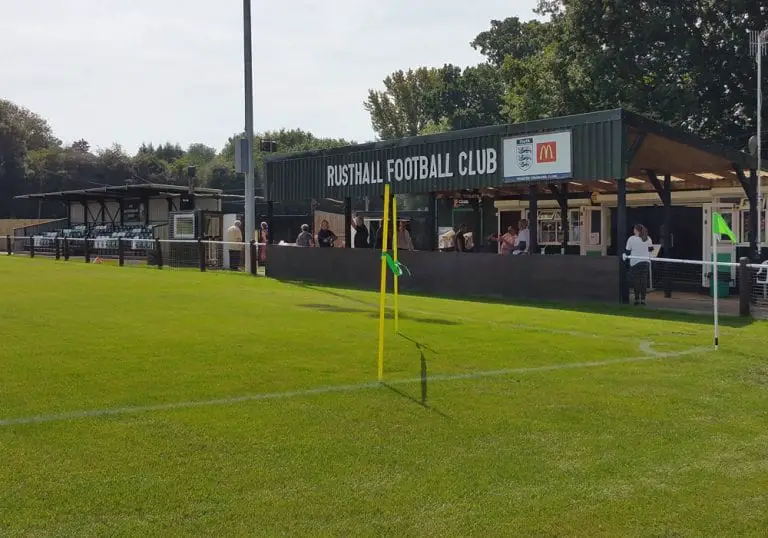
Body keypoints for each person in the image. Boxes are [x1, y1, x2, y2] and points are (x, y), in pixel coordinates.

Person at [625, 223, 654, 305]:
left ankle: (637, 299)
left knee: (636, 281)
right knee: (644, 281)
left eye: (634, 229)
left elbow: (627, 249)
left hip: (635, 262)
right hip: (645, 262)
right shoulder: (648, 238)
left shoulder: (631, 239)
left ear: (636, 230)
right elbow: (651, 249)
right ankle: (643, 299)